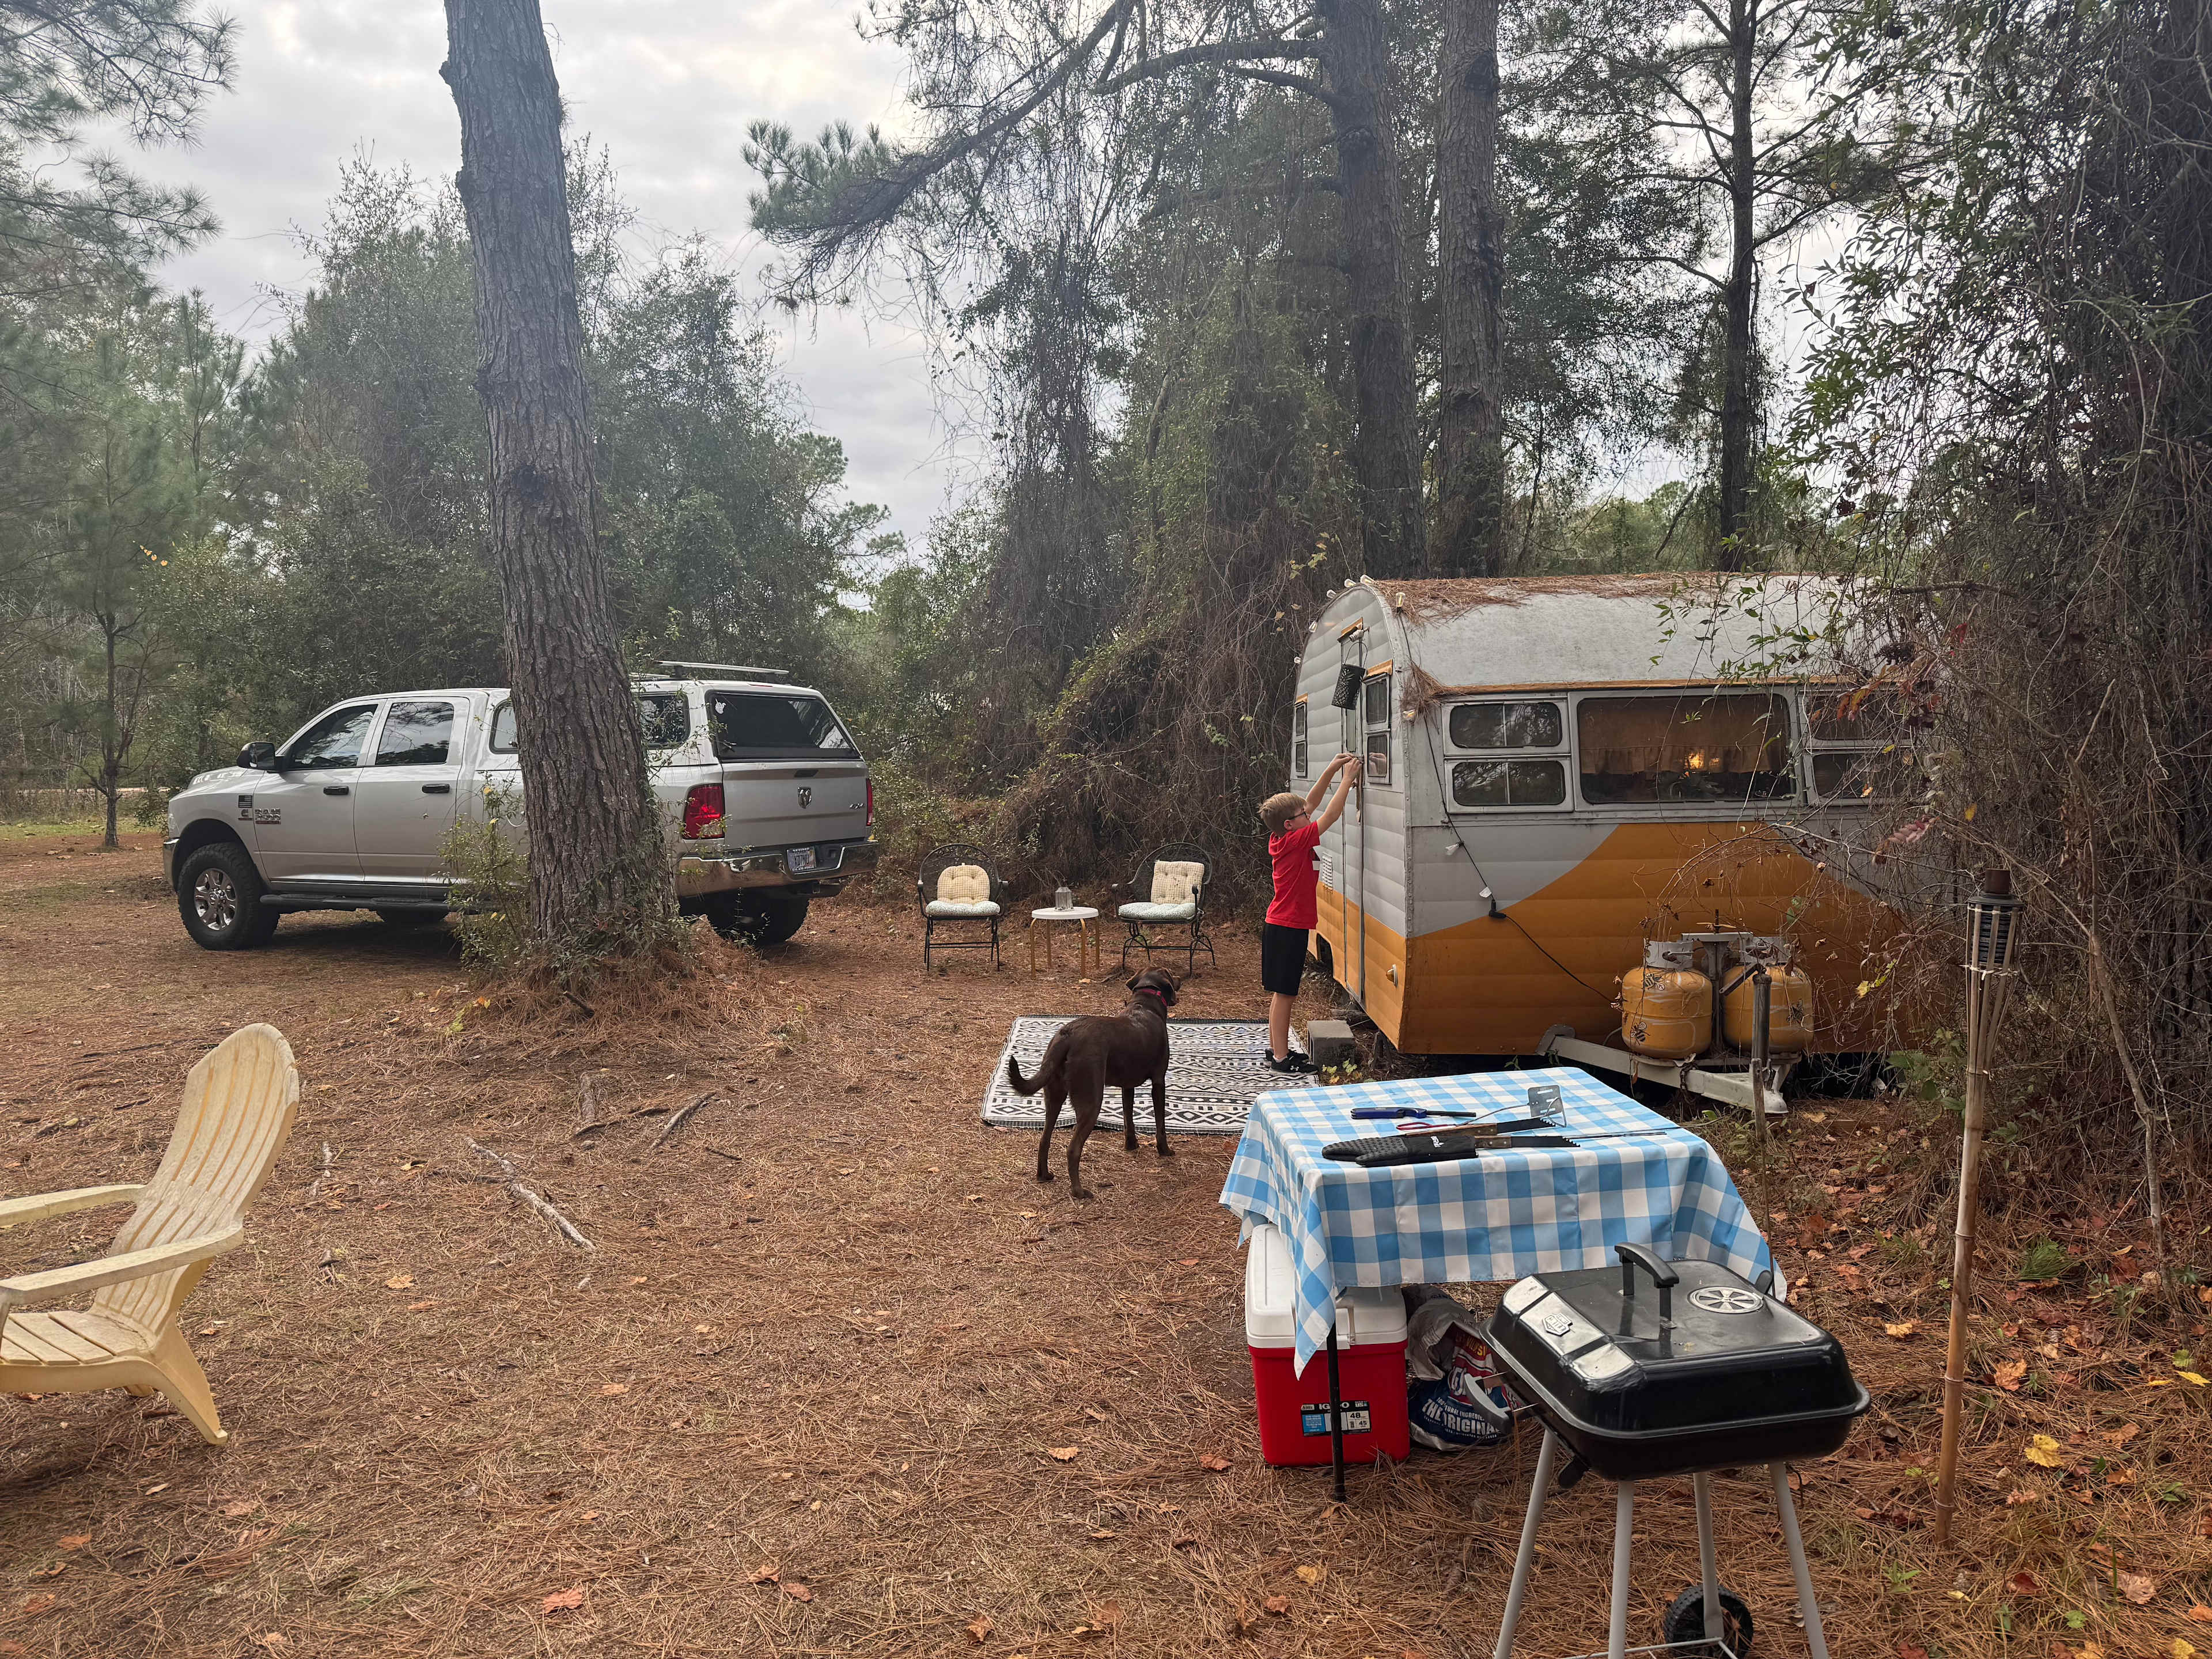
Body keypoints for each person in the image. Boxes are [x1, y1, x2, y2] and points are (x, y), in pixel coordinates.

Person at [1256, 752, 1362, 1073]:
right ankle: (1280, 1058)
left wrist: (1330, 768)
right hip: (1286, 927)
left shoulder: (1284, 836)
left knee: (1282, 993)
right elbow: (1328, 816)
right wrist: (1345, 781)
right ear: (1292, 824)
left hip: (1283, 924)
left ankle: (1278, 1049)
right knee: (1285, 995)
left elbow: (1312, 804)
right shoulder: (1296, 841)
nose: (1309, 814)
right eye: (1303, 814)